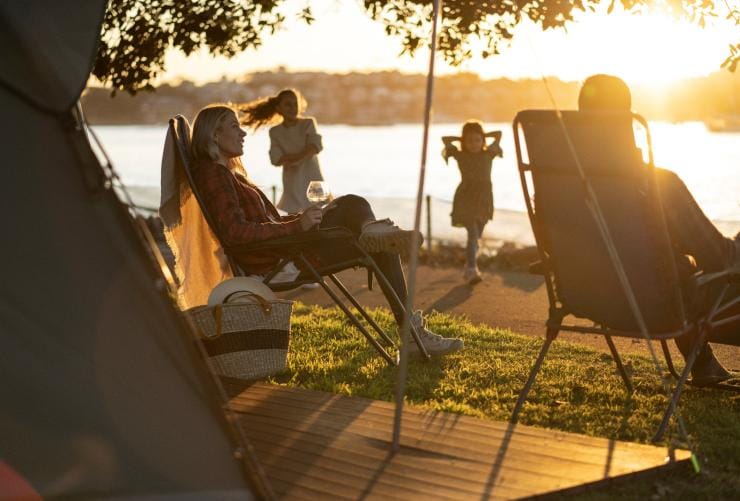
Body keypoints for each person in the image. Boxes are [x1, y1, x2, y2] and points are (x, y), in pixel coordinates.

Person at [189, 103, 464, 356]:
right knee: (356, 209)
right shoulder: (214, 174)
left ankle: (375, 235)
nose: (243, 133)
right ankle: (412, 332)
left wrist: (304, 218)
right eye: (235, 126)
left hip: (287, 251)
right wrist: (299, 225)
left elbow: (262, 225)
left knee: (362, 225)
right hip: (280, 262)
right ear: (214, 135)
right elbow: (237, 234)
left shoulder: (228, 175)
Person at [578, 74, 739, 385]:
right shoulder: (657, 183)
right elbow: (717, 259)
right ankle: (702, 362)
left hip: (591, 296)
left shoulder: (561, 182)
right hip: (661, 301)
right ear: (627, 120)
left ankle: (703, 363)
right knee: (700, 270)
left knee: (671, 263)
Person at [240, 88, 325, 214]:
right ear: (279, 108)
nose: (293, 107)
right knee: (295, 219)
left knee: (318, 216)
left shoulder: (308, 123)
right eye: (288, 104)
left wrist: (293, 160)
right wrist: (298, 157)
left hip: (313, 178)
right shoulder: (275, 132)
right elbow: (276, 159)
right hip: (292, 181)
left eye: (295, 104)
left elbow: (315, 147)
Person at [442, 121, 503, 284]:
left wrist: (482, 135)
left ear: (483, 141)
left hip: (484, 199)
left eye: (477, 140)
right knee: (473, 234)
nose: (474, 144)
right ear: (463, 142)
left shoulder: (488, 154)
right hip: (466, 198)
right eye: (469, 141)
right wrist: (463, 138)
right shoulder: (461, 155)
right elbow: (445, 139)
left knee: (477, 236)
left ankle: (469, 264)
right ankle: (471, 269)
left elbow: (498, 134)